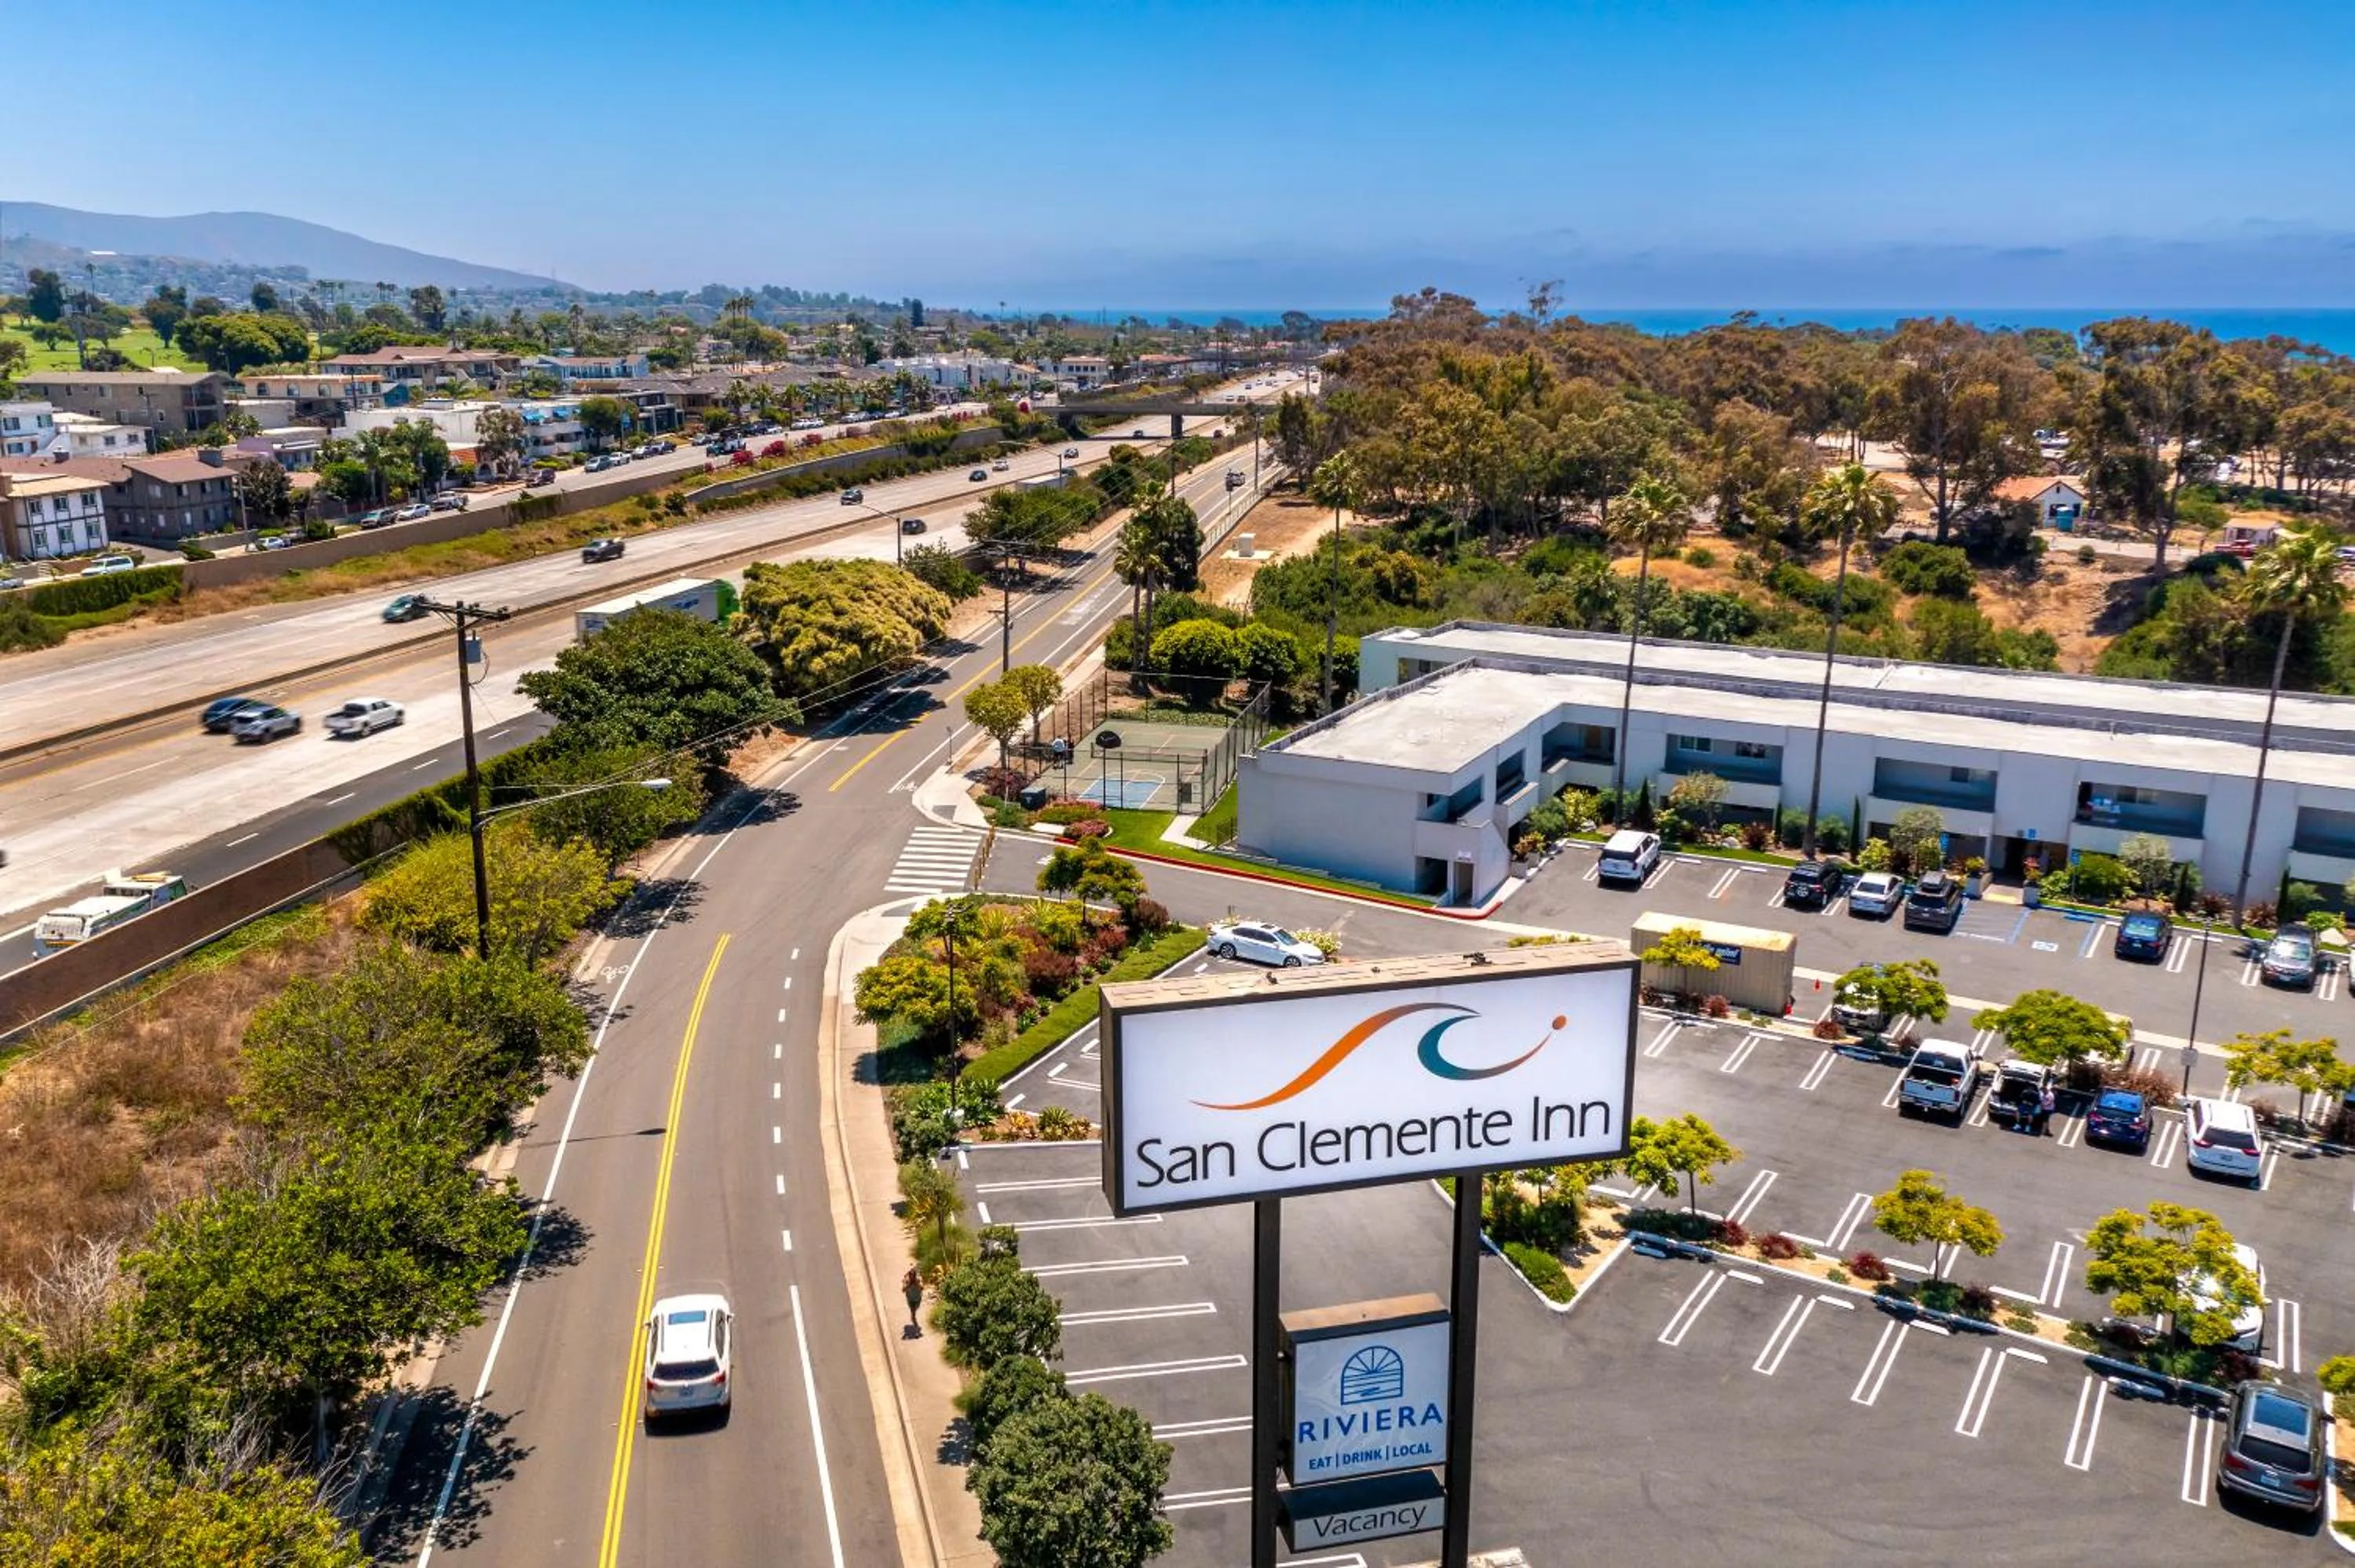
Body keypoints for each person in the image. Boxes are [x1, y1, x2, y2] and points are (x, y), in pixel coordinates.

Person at [903, 1265, 923, 1332]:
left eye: (914, 1275)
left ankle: (913, 1316)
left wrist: (917, 1284)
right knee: (913, 1310)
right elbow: (903, 1290)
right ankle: (915, 1322)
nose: (912, 1277)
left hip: (918, 1298)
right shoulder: (907, 1280)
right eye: (911, 1275)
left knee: (916, 1308)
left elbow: (922, 1288)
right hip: (910, 1298)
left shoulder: (918, 1279)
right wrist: (909, 1285)